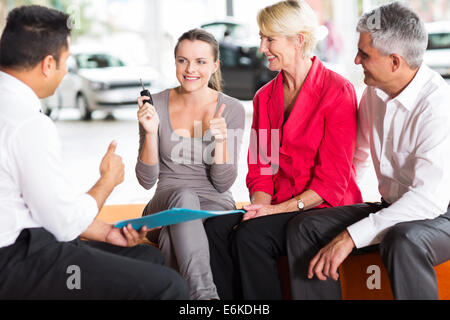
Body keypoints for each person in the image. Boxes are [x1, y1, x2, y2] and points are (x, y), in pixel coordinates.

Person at [0, 5, 188, 300]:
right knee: (169, 286)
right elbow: (62, 224)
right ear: (49, 64)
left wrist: (106, 232)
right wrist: (107, 182)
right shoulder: (27, 123)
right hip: (17, 261)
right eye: (66, 61)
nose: (65, 71)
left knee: (148, 259)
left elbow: (46, 204)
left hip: (28, 241)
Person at [286, 1, 450, 300]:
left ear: (395, 62)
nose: (356, 60)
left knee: (405, 240)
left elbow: (428, 201)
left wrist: (351, 236)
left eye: (365, 54)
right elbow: (355, 159)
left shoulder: (438, 106)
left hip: (440, 214)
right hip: (393, 207)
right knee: (305, 226)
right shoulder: (373, 93)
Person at [204, 0, 363, 300]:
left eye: (270, 39)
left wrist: (271, 212)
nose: (262, 47)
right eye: (261, 38)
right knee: (216, 228)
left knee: (251, 237)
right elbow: (262, 169)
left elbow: (331, 183)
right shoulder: (265, 97)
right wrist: (258, 209)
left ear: (298, 40)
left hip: (326, 208)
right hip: (278, 207)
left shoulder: (336, 90)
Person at [135, 28, 245, 300]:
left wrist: (220, 142)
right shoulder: (156, 103)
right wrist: (150, 132)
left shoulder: (231, 109)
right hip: (165, 200)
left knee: (175, 233)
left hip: (214, 204)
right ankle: (205, 297)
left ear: (215, 65)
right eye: (182, 60)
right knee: (183, 199)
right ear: (175, 63)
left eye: (200, 61)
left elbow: (223, 183)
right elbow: (146, 180)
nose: (190, 69)